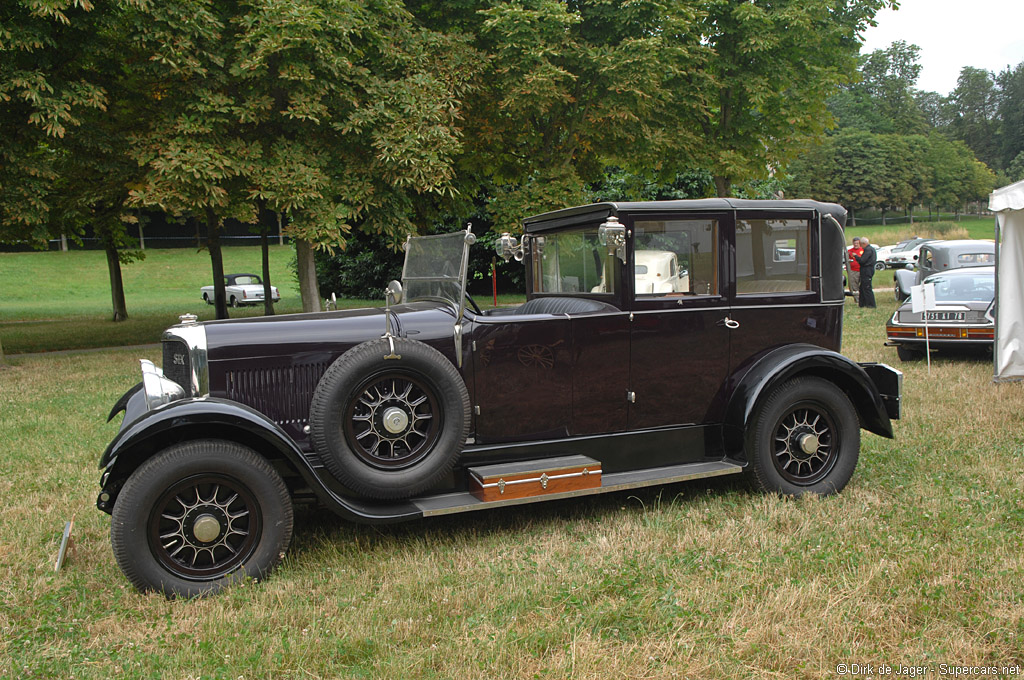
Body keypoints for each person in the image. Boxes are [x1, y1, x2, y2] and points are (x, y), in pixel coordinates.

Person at [853, 236, 876, 308]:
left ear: (864, 243)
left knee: (867, 287)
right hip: (866, 270)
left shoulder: (868, 250)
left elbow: (862, 261)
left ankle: (871, 304)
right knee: (862, 287)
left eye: (860, 244)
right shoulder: (871, 249)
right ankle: (862, 304)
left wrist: (856, 256)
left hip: (867, 270)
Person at [847, 237, 863, 303]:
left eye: (857, 243)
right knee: (854, 285)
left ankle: (863, 299)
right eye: (854, 243)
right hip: (853, 271)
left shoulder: (863, 250)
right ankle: (857, 300)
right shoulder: (850, 251)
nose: (856, 244)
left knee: (862, 285)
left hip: (861, 270)